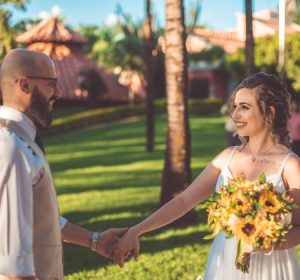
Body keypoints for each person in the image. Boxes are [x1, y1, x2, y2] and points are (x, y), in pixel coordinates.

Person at [113, 72, 300, 279]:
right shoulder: (226, 158)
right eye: (235, 106)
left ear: (269, 113)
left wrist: (266, 243)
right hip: (225, 263)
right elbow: (183, 201)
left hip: (271, 268)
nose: (235, 114)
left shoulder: (289, 165)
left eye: (244, 107)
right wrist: (136, 230)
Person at [0, 49, 126, 279]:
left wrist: (94, 241)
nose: (58, 93)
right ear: (25, 85)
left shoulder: (21, 140)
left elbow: (37, 216)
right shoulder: (11, 146)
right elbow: (13, 262)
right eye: (51, 84)